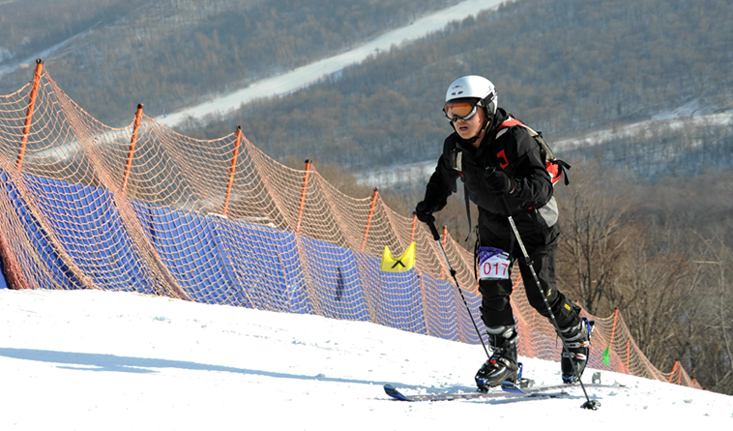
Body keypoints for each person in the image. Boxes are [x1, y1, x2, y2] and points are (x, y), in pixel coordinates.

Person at [414, 75, 590, 391]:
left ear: (486, 107)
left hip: (534, 225)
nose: (457, 120)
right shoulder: (455, 146)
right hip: (494, 226)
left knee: (541, 297)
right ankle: (505, 358)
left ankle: (575, 333)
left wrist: (511, 185)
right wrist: (430, 203)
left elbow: (540, 187)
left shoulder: (515, 139)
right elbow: (443, 177)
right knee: (492, 291)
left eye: (465, 110)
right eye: (450, 112)